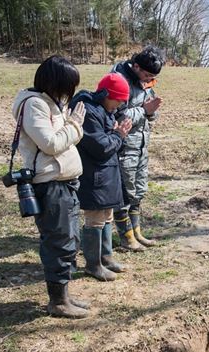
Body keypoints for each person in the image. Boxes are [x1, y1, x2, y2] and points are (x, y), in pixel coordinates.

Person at [11, 55, 88, 318]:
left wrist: (68, 123)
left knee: (68, 238)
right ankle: (57, 301)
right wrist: (75, 126)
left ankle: (64, 295)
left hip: (64, 184)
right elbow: (51, 144)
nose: (70, 92)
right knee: (58, 242)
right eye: (68, 86)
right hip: (51, 185)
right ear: (56, 82)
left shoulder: (51, 103)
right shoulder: (35, 105)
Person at [70, 74, 133, 281]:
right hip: (94, 176)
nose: (120, 106)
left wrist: (115, 136)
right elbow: (102, 147)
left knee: (107, 216)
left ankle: (106, 257)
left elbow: (110, 144)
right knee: (95, 219)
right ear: (107, 94)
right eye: (118, 100)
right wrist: (118, 136)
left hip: (107, 174)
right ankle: (93, 264)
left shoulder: (104, 111)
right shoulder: (89, 112)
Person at [111, 45, 165, 251]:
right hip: (124, 147)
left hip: (141, 146)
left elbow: (151, 113)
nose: (149, 80)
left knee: (138, 191)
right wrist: (144, 110)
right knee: (125, 193)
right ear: (135, 66)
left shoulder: (146, 82)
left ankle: (136, 232)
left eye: (153, 77)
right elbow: (118, 116)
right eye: (147, 75)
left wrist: (151, 112)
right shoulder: (118, 82)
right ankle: (126, 237)